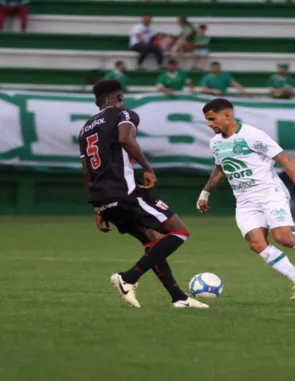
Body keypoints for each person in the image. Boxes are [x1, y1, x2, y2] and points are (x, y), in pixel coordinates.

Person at [78, 79, 207, 310]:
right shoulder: (123, 113)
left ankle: (178, 297)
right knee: (179, 231)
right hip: (125, 191)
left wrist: (97, 207)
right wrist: (148, 168)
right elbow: (125, 138)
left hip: (101, 196)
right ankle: (128, 278)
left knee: (151, 241)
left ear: (97, 101)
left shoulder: (85, 128)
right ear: (119, 96)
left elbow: (87, 172)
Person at [196, 98, 295, 300]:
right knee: (256, 243)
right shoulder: (216, 143)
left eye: (212, 119)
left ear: (228, 115)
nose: (210, 124)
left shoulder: (252, 135)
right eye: (207, 120)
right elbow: (220, 170)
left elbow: (284, 159)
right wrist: (205, 193)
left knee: (283, 238)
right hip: (244, 200)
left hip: (269, 192)